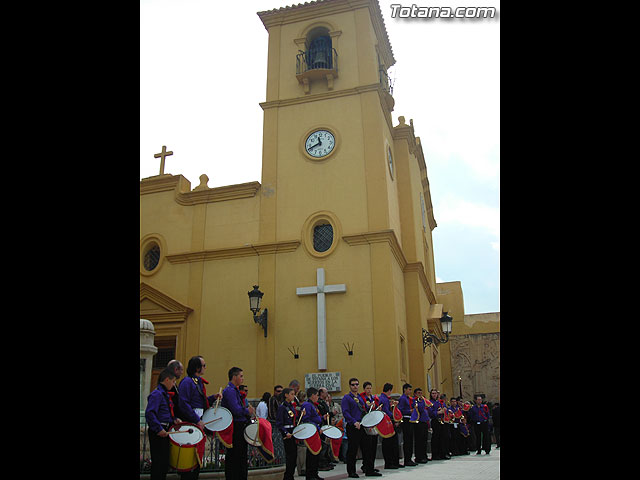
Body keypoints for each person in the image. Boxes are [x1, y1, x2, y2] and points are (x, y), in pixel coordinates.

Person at [177, 356, 219, 479]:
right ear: (197, 368)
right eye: (204, 365)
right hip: (192, 422)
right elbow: (184, 404)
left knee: (196, 460)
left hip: (198, 422)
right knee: (189, 460)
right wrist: (196, 420)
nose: (205, 368)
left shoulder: (197, 382)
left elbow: (201, 401)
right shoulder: (187, 382)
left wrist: (213, 398)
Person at [145, 368, 181, 480]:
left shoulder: (165, 394)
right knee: (159, 464)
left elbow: (165, 412)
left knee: (164, 463)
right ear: (166, 380)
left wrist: (174, 419)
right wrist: (158, 428)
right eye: (173, 381)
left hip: (165, 430)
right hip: (159, 432)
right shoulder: (157, 394)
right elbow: (150, 413)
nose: (174, 384)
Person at [221, 366, 255, 479]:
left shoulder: (234, 390)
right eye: (241, 376)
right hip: (236, 427)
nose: (243, 378)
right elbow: (235, 409)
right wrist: (247, 411)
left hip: (240, 425)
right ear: (234, 377)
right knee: (236, 456)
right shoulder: (230, 391)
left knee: (241, 456)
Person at [341, 377, 369, 478]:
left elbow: (364, 409)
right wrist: (353, 422)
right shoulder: (346, 398)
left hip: (362, 425)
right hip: (353, 426)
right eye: (353, 385)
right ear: (350, 386)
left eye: (357, 384)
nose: (355, 386)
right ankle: (351, 471)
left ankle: (368, 468)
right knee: (352, 449)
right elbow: (345, 412)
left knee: (366, 447)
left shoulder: (360, 397)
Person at [300, 387, 325, 479]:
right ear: (313, 395)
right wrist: (318, 428)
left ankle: (315, 473)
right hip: (311, 431)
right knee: (312, 454)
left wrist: (322, 419)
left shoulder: (312, 405)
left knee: (316, 454)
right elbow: (307, 420)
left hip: (315, 431)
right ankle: (310, 475)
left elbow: (314, 418)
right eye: (317, 395)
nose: (318, 397)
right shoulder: (307, 405)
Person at [276, 387, 298, 480]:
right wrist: (285, 433)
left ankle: (291, 475)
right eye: (292, 394)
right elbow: (279, 423)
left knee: (294, 456)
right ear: (286, 395)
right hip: (287, 433)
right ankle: (288, 476)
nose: (294, 396)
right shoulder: (282, 407)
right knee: (290, 456)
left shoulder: (290, 406)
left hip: (292, 432)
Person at [378, 383, 402, 470]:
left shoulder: (386, 399)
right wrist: (394, 417)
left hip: (390, 422)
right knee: (389, 443)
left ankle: (394, 462)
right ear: (389, 390)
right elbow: (385, 411)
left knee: (393, 443)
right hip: (387, 423)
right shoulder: (383, 399)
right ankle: (389, 463)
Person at [359, 382, 381, 476]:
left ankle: (370, 465)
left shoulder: (374, 398)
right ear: (364, 389)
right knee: (367, 447)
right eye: (367, 388)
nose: (369, 390)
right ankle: (367, 466)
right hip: (366, 425)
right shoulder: (361, 398)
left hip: (373, 424)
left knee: (373, 446)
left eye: (370, 388)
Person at [397, 383, 417, 467]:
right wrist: (409, 411)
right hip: (405, 419)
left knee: (410, 439)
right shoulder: (402, 398)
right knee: (407, 439)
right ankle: (407, 459)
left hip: (410, 419)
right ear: (405, 389)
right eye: (409, 389)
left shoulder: (409, 398)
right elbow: (400, 410)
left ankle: (409, 458)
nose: (410, 391)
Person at [412, 388, 430, 463]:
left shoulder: (423, 400)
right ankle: (419, 457)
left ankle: (424, 455)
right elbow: (420, 408)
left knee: (424, 440)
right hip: (418, 422)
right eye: (418, 393)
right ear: (415, 394)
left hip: (424, 421)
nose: (420, 394)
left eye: (421, 393)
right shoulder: (415, 400)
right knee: (419, 440)